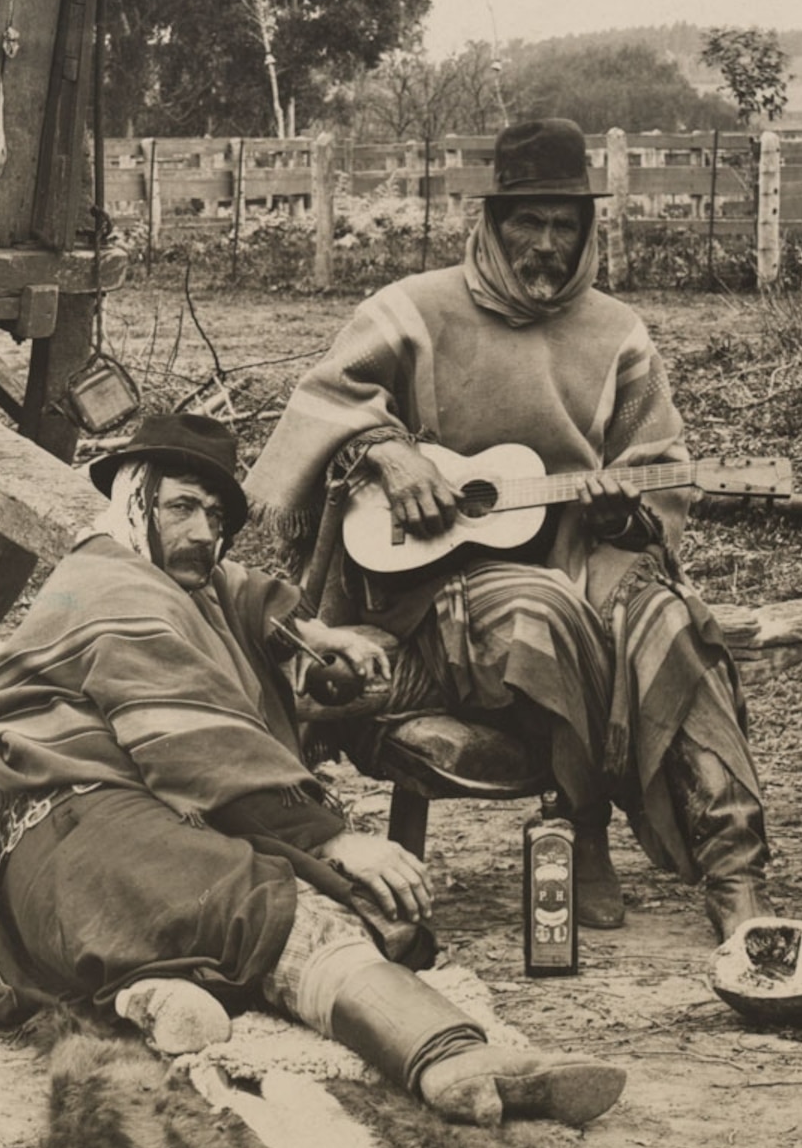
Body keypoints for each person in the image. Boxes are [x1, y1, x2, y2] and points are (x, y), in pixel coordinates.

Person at [0, 413, 628, 1128]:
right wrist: (332, 839)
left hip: (107, 829)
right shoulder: (115, 590)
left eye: (214, 514)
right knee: (261, 899)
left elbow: (239, 591)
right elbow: (196, 744)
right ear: (135, 503)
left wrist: (308, 631)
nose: (202, 531)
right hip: (69, 829)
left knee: (357, 915)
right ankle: (447, 1056)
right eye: (181, 507)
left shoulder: (166, 572)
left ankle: (156, 990)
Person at [243, 118, 774, 938]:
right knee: (540, 613)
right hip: (427, 589)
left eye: (567, 225)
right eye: (528, 220)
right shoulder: (411, 310)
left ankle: (735, 876)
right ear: (489, 224)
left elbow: (657, 468)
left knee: (672, 623)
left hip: (576, 555)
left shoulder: (618, 334)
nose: (548, 245)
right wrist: (389, 451)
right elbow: (322, 403)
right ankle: (581, 824)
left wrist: (620, 509)